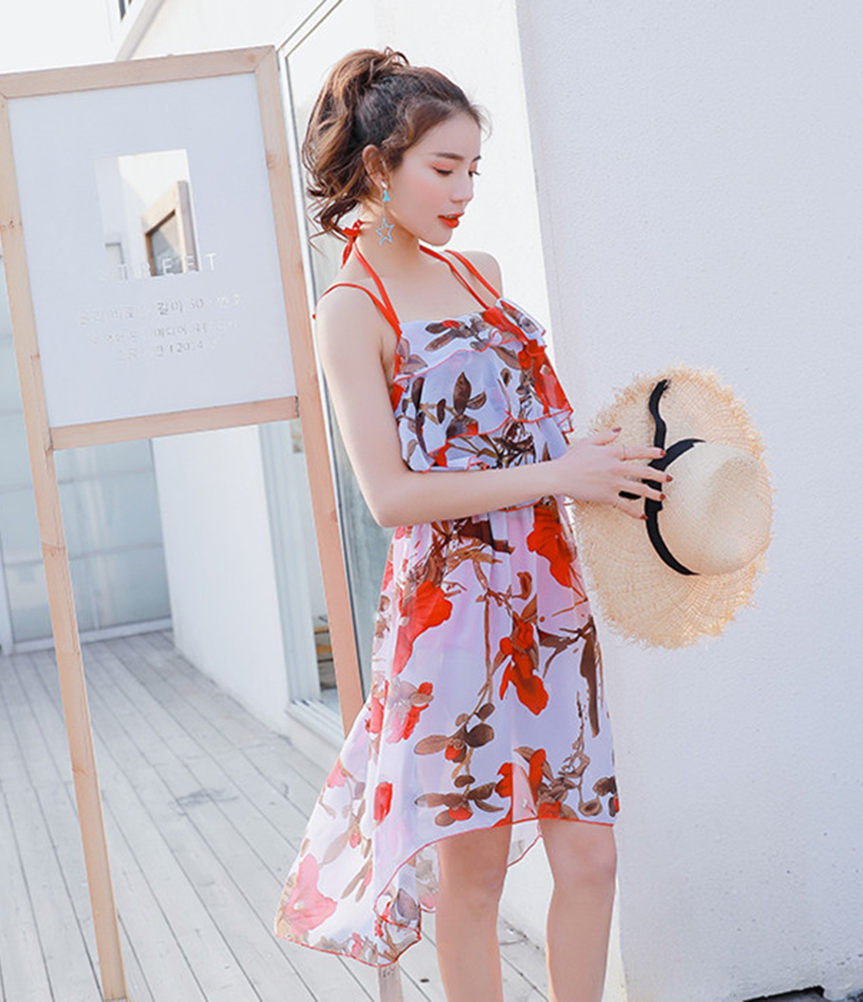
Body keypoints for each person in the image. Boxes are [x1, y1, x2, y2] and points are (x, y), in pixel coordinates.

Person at [274, 47, 670, 1002]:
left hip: (547, 597)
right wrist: (556, 475)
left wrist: (600, 471)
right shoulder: (350, 308)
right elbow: (390, 498)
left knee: (592, 860)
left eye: (473, 171)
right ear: (379, 168)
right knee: (476, 879)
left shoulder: (480, 274)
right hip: (449, 615)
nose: (462, 193)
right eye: (443, 169)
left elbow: (533, 435)